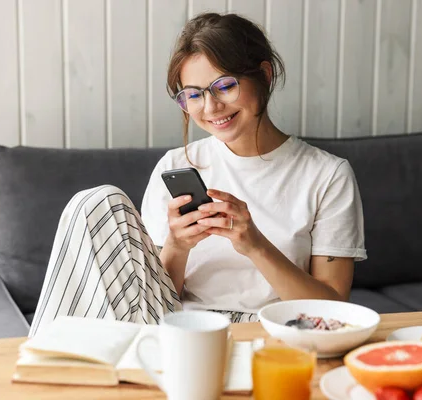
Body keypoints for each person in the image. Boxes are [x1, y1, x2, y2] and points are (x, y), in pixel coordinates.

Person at [29, 12, 366, 337]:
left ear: (264, 76)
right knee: (97, 202)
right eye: (193, 94)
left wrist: (255, 246)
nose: (210, 107)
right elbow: (153, 298)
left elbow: (333, 308)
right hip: (182, 331)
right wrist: (177, 246)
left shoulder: (327, 175)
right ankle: (41, 365)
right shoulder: (174, 166)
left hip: (276, 332)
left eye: (224, 86)